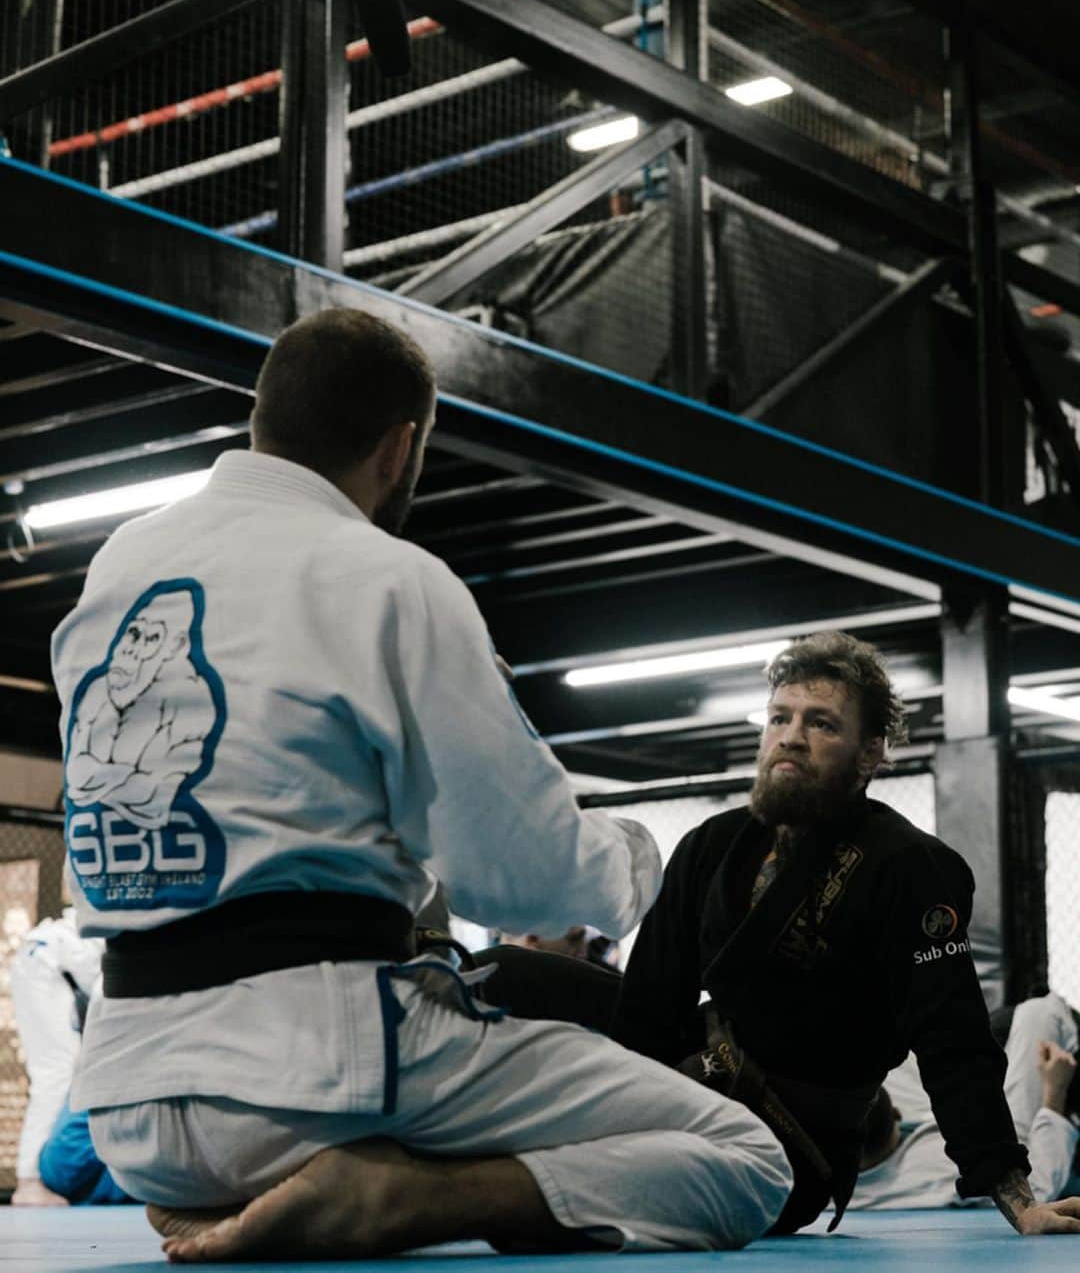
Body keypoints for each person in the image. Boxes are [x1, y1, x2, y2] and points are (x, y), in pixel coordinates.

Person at [52, 307, 791, 1262]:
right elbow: (517, 876)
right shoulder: (389, 576)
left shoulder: (121, 565)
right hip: (318, 1073)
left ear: (261, 421)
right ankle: (404, 1202)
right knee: (743, 1156)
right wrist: (636, 861)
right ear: (401, 449)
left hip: (130, 1106)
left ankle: (270, 1184)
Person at [613, 631, 1080, 1237]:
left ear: (870, 752)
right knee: (526, 980)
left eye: (822, 723)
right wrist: (614, 1111)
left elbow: (953, 1038)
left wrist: (1018, 1197)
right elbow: (647, 1005)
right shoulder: (712, 845)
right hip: (691, 1098)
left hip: (791, 1147)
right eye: (778, 717)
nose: (790, 735)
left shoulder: (908, 866)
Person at [852, 992, 1080, 1208]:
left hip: (943, 1101)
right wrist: (1054, 1097)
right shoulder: (938, 1173)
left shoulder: (825, 1190)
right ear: (896, 1115)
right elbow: (1036, 1190)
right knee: (1038, 1014)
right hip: (1023, 1130)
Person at [9, 913, 128, 1205]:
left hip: (45, 959)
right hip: (48, 961)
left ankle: (30, 1179)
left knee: (59, 1069)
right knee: (56, 1070)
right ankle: (28, 1182)